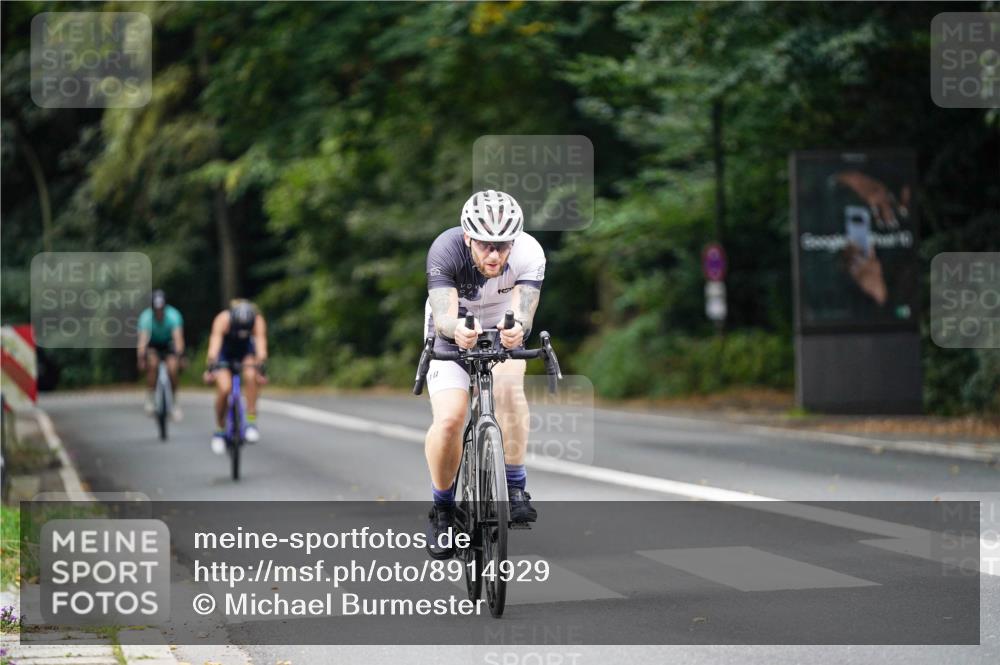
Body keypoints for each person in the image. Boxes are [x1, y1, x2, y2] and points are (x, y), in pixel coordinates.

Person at [422, 189, 545, 559]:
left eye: (503, 246)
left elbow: (524, 310)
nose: (494, 255)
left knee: (509, 393)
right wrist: (455, 330)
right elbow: (444, 316)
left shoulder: (530, 253)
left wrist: (517, 328)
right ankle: (443, 510)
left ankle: (516, 486)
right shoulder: (445, 250)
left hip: (499, 329)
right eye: (486, 246)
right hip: (453, 329)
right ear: (468, 238)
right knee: (450, 419)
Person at [202, 299, 268, 454]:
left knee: (251, 376)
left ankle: (251, 422)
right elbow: (214, 346)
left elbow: (261, 346)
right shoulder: (222, 319)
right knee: (225, 389)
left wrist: (261, 368)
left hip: (246, 352)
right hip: (225, 354)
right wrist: (211, 367)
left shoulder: (257, 320)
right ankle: (219, 430)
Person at [137, 290, 185, 420]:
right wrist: (141, 358)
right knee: (152, 364)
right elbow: (143, 340)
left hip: (168, 344)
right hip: (153, 344)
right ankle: (151, 398)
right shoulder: (146, 317)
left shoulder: (173, 315)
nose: (159, 312)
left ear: (165, 307)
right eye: (156, 309)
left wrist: (180, 356)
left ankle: (175, 403)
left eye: (161, 309)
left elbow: (178, 339)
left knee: (173, 369)